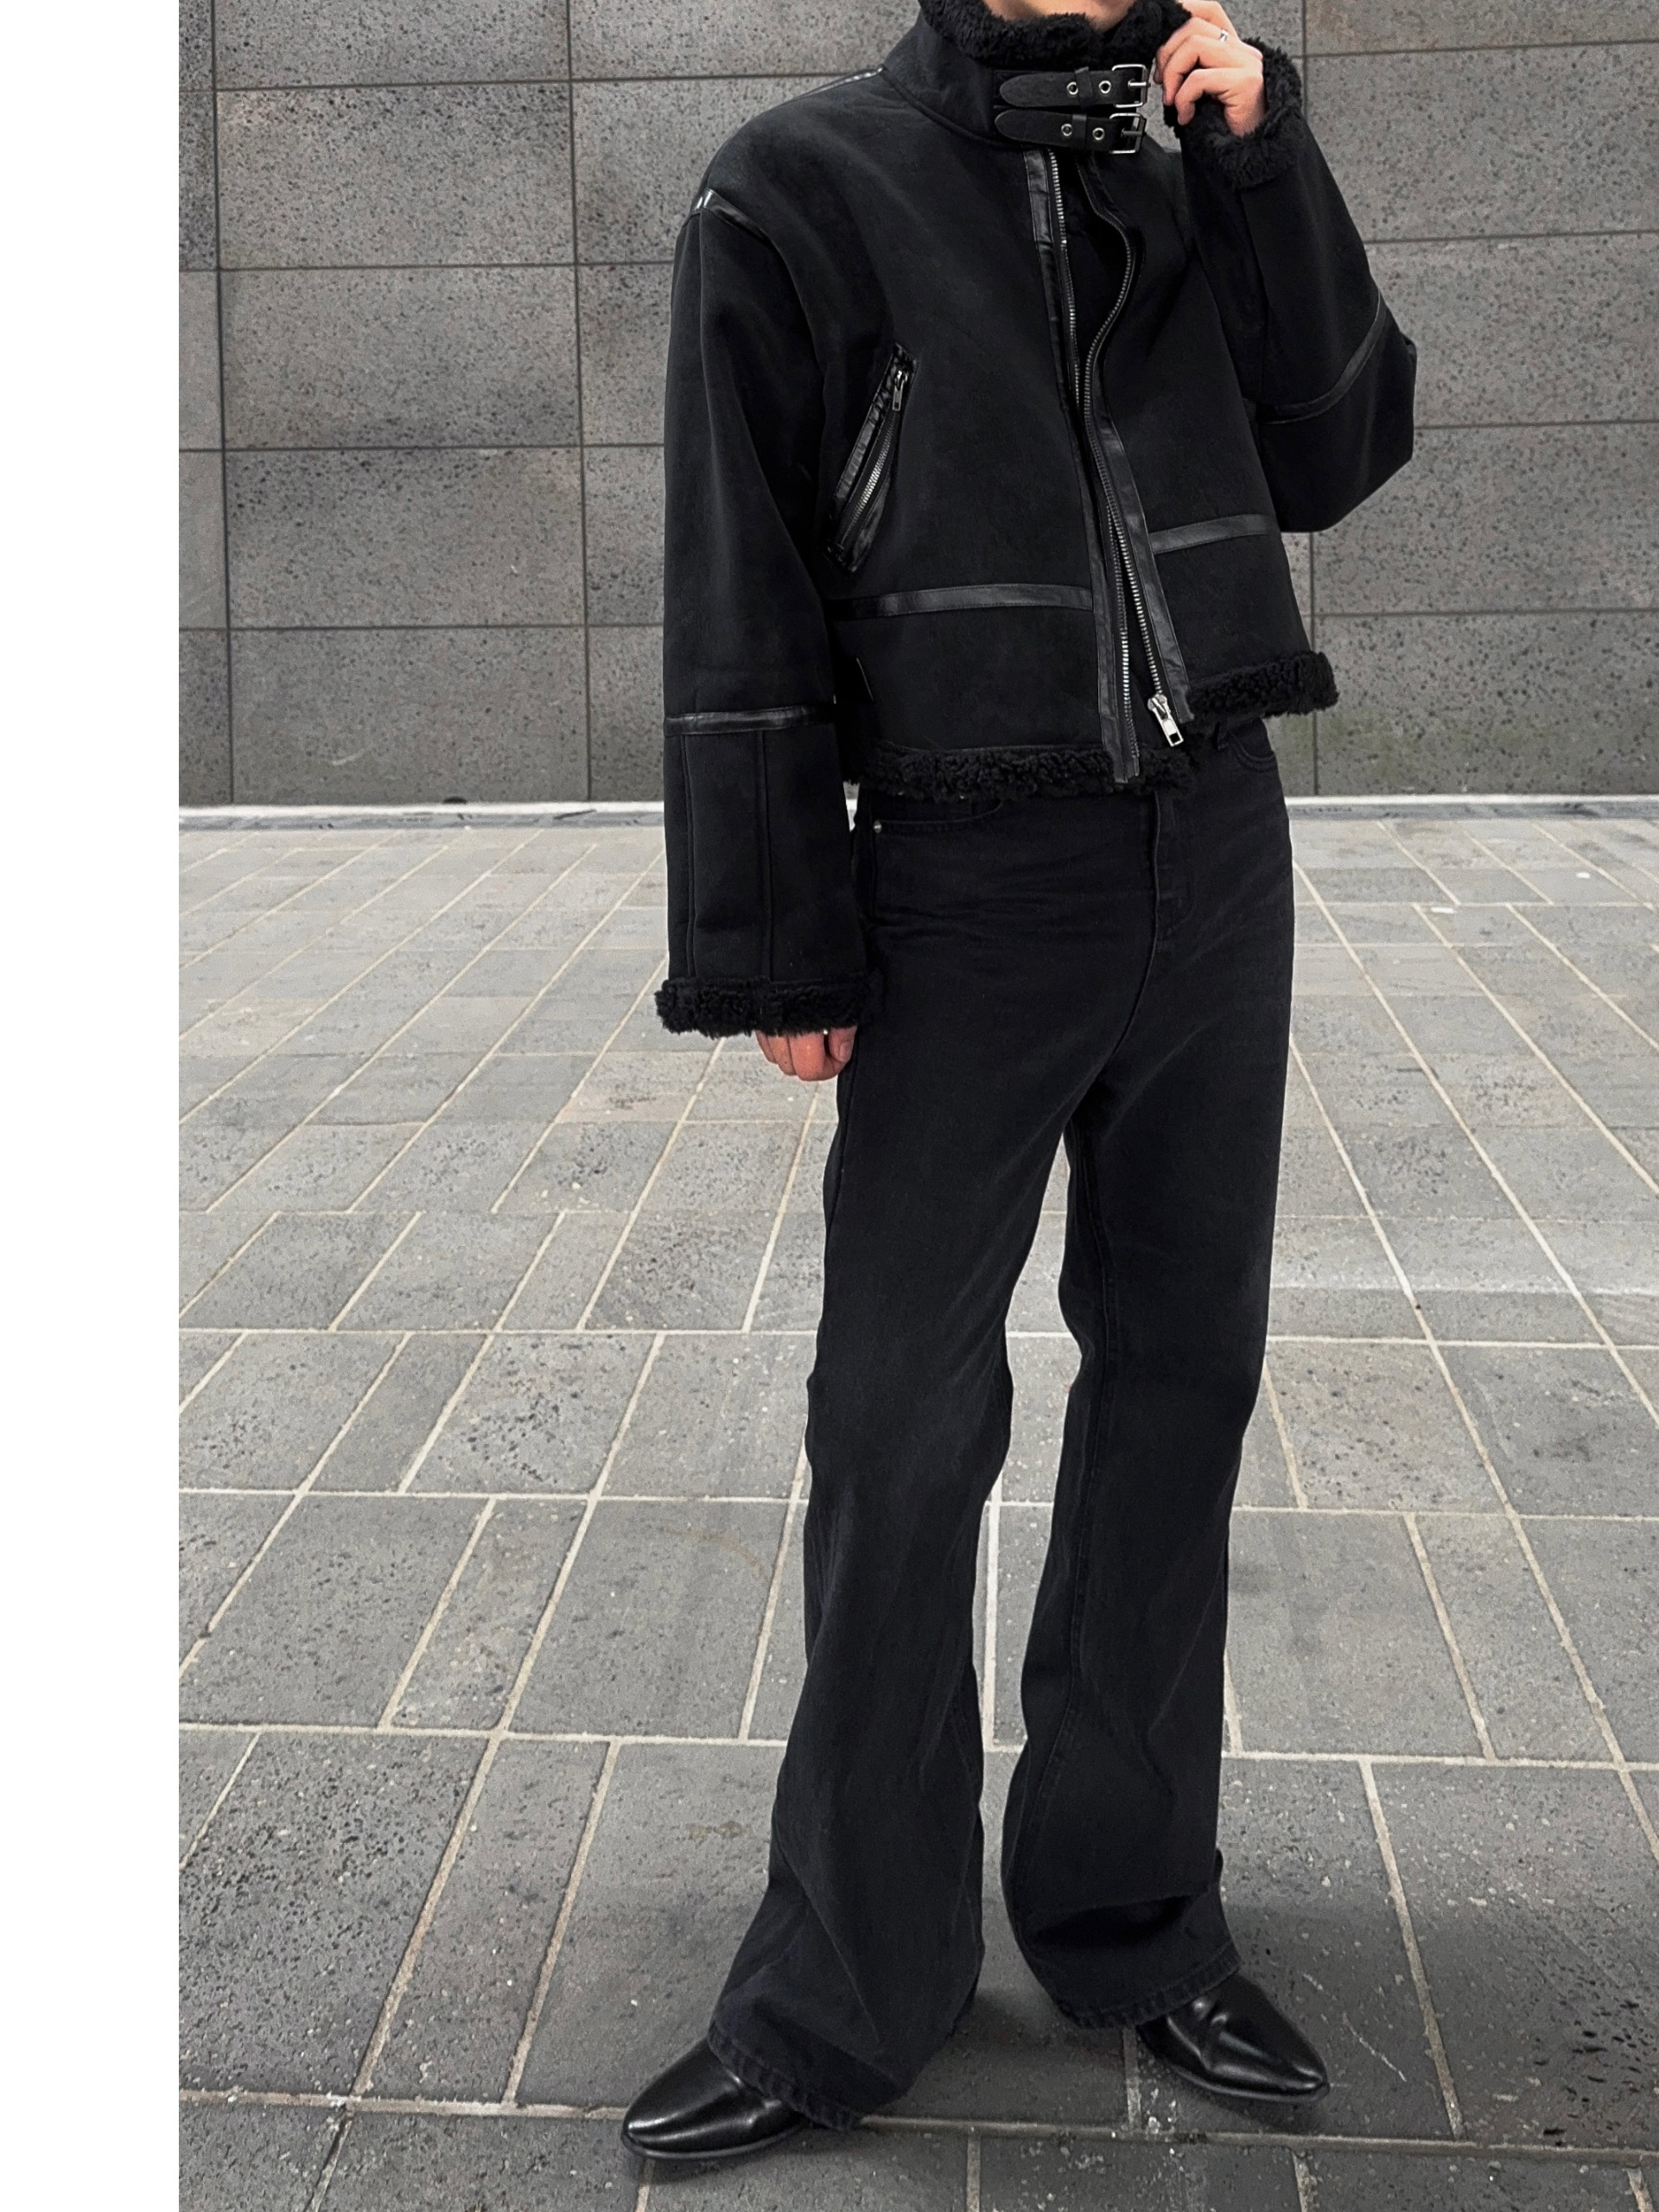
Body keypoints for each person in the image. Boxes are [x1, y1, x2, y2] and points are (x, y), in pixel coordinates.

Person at [623, 0, 1414, 2164]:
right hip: (965, 878)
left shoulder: (1192, 155)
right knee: (897, 1415)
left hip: (1212, 849)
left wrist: (1266, 161)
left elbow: (1341, 443)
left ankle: (1134, 1917)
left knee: (1180, 1379)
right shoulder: (798, 186)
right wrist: (776, 929)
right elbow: (737, 574)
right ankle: (839, 1987)